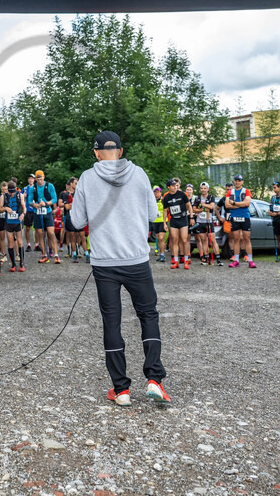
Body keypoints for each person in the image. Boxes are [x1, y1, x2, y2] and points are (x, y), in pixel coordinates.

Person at [71, 131, 170, 406]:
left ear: (96, 153)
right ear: (121, 151)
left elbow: (76, 222)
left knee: (111, 322)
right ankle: (155, 380)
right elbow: (153, 215)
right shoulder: (139, 174)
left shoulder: (87, 178)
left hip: (105, 263)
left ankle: (121, 389)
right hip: (136, 258)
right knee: (148, 315)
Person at [30, 170, 60, 264]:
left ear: (44, 177)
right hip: (37, 212)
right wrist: (35, 205)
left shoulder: (50, 186)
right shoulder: (32, 188)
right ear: (35, 179)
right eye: (37, 178)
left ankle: (56, 255)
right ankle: (44, 255)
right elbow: (29, 201)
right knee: (40, 234)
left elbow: (54, 199)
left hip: (47, 211)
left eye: (41, 178)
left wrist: (46, 203)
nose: (39, 180)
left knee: (51, 233)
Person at [226, 174, 255, 268]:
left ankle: (250, 260)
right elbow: (227, 205)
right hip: (234, 217)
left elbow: (247, 203)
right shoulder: (230, 192)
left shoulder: (246, 191)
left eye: (239, 180)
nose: (237, 182)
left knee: (247, 238)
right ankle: (236, 260)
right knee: (236, 239)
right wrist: (240, 204)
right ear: (234, 182)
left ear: (242, 182)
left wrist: (234, 203)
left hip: (245, 217)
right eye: (236, 180)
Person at [162, 178, 192, 270]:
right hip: (174, 220)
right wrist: (164, 223)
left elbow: (189, 205)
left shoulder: (182, 194)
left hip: (183, 219)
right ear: (168, 187)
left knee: (184, 240)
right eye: (173, 186)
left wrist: (191, 217)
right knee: (174, 241)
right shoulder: (166, 197)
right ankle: (175, 261)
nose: (175, 187)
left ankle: (186, 260)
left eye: (176, 185)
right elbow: (165, 210)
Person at [0, 180, 26, 271]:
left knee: (19, 241)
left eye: (13, 192)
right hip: (8, 222)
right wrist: (5, 208)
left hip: (18, 221)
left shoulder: (20, 195)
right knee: (10, 242)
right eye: (10, 192)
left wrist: (23, 214)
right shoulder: (3, 196)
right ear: (7, 191)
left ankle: (22, 263)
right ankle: (13, 264)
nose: (12, 194)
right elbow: (0, 209)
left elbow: (24, 207)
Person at [191, 182, 221, 266]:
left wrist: (201, 205)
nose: (203, 190)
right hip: (200, 222)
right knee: (203, 240)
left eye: (205, 188)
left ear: (207, 189)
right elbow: (194, 209)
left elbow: (211, 206)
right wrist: (203, 209)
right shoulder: (197, 198)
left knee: (212, 239)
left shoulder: (211, 197)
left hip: (208, 221)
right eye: (201, 188)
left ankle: (218, 258)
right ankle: (206, 258)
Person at [150, 186, 167, 262]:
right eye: (155, 192)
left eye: (158, 192)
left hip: (162, 221)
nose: (157, 193)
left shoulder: (163, 200)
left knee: (161, 238)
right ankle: (161, 254)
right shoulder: (152, 201)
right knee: (158, 239)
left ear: (160, 193)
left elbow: (166, 210)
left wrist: (165, 223)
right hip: (155, 221)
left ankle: (163, 255)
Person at [22, 173, 37, 251]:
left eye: (32, 178)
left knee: (37, 228)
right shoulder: (25, 189)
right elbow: (20, 199)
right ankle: (28, 244)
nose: (30, 180)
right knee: (28, 228)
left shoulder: (37, 188)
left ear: (34, 180)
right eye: (29, 178)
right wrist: (23, 197)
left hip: (36, 209)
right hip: (28, 210)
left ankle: (37, 244)